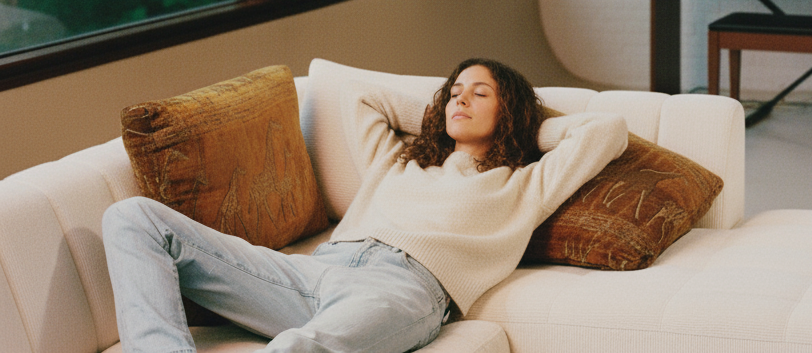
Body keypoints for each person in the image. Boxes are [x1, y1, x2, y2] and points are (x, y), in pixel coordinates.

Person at [102, 57, 627, 353]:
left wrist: (527, 126)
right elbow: (359, 94)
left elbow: (607, 130)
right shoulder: (398, 159)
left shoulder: (526, 183)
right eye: (454, 92)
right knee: (132, 218)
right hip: (315, 271)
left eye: (480, 93)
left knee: (296, 350)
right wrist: (440, 117)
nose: (460, 99)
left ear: (508, 110)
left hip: (402, 291)